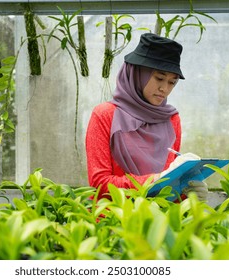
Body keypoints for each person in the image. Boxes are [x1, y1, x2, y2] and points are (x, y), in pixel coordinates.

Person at [85, 33, 208, 201]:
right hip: (112, 221)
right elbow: (100, 184)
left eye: (172, 82)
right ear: (138, 73)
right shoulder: (104, 115)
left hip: (159, 221)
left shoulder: (171, 120)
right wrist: (152, 181)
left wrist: (188, 193)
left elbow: (169, 186)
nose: (164, 89)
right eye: (159, 78)